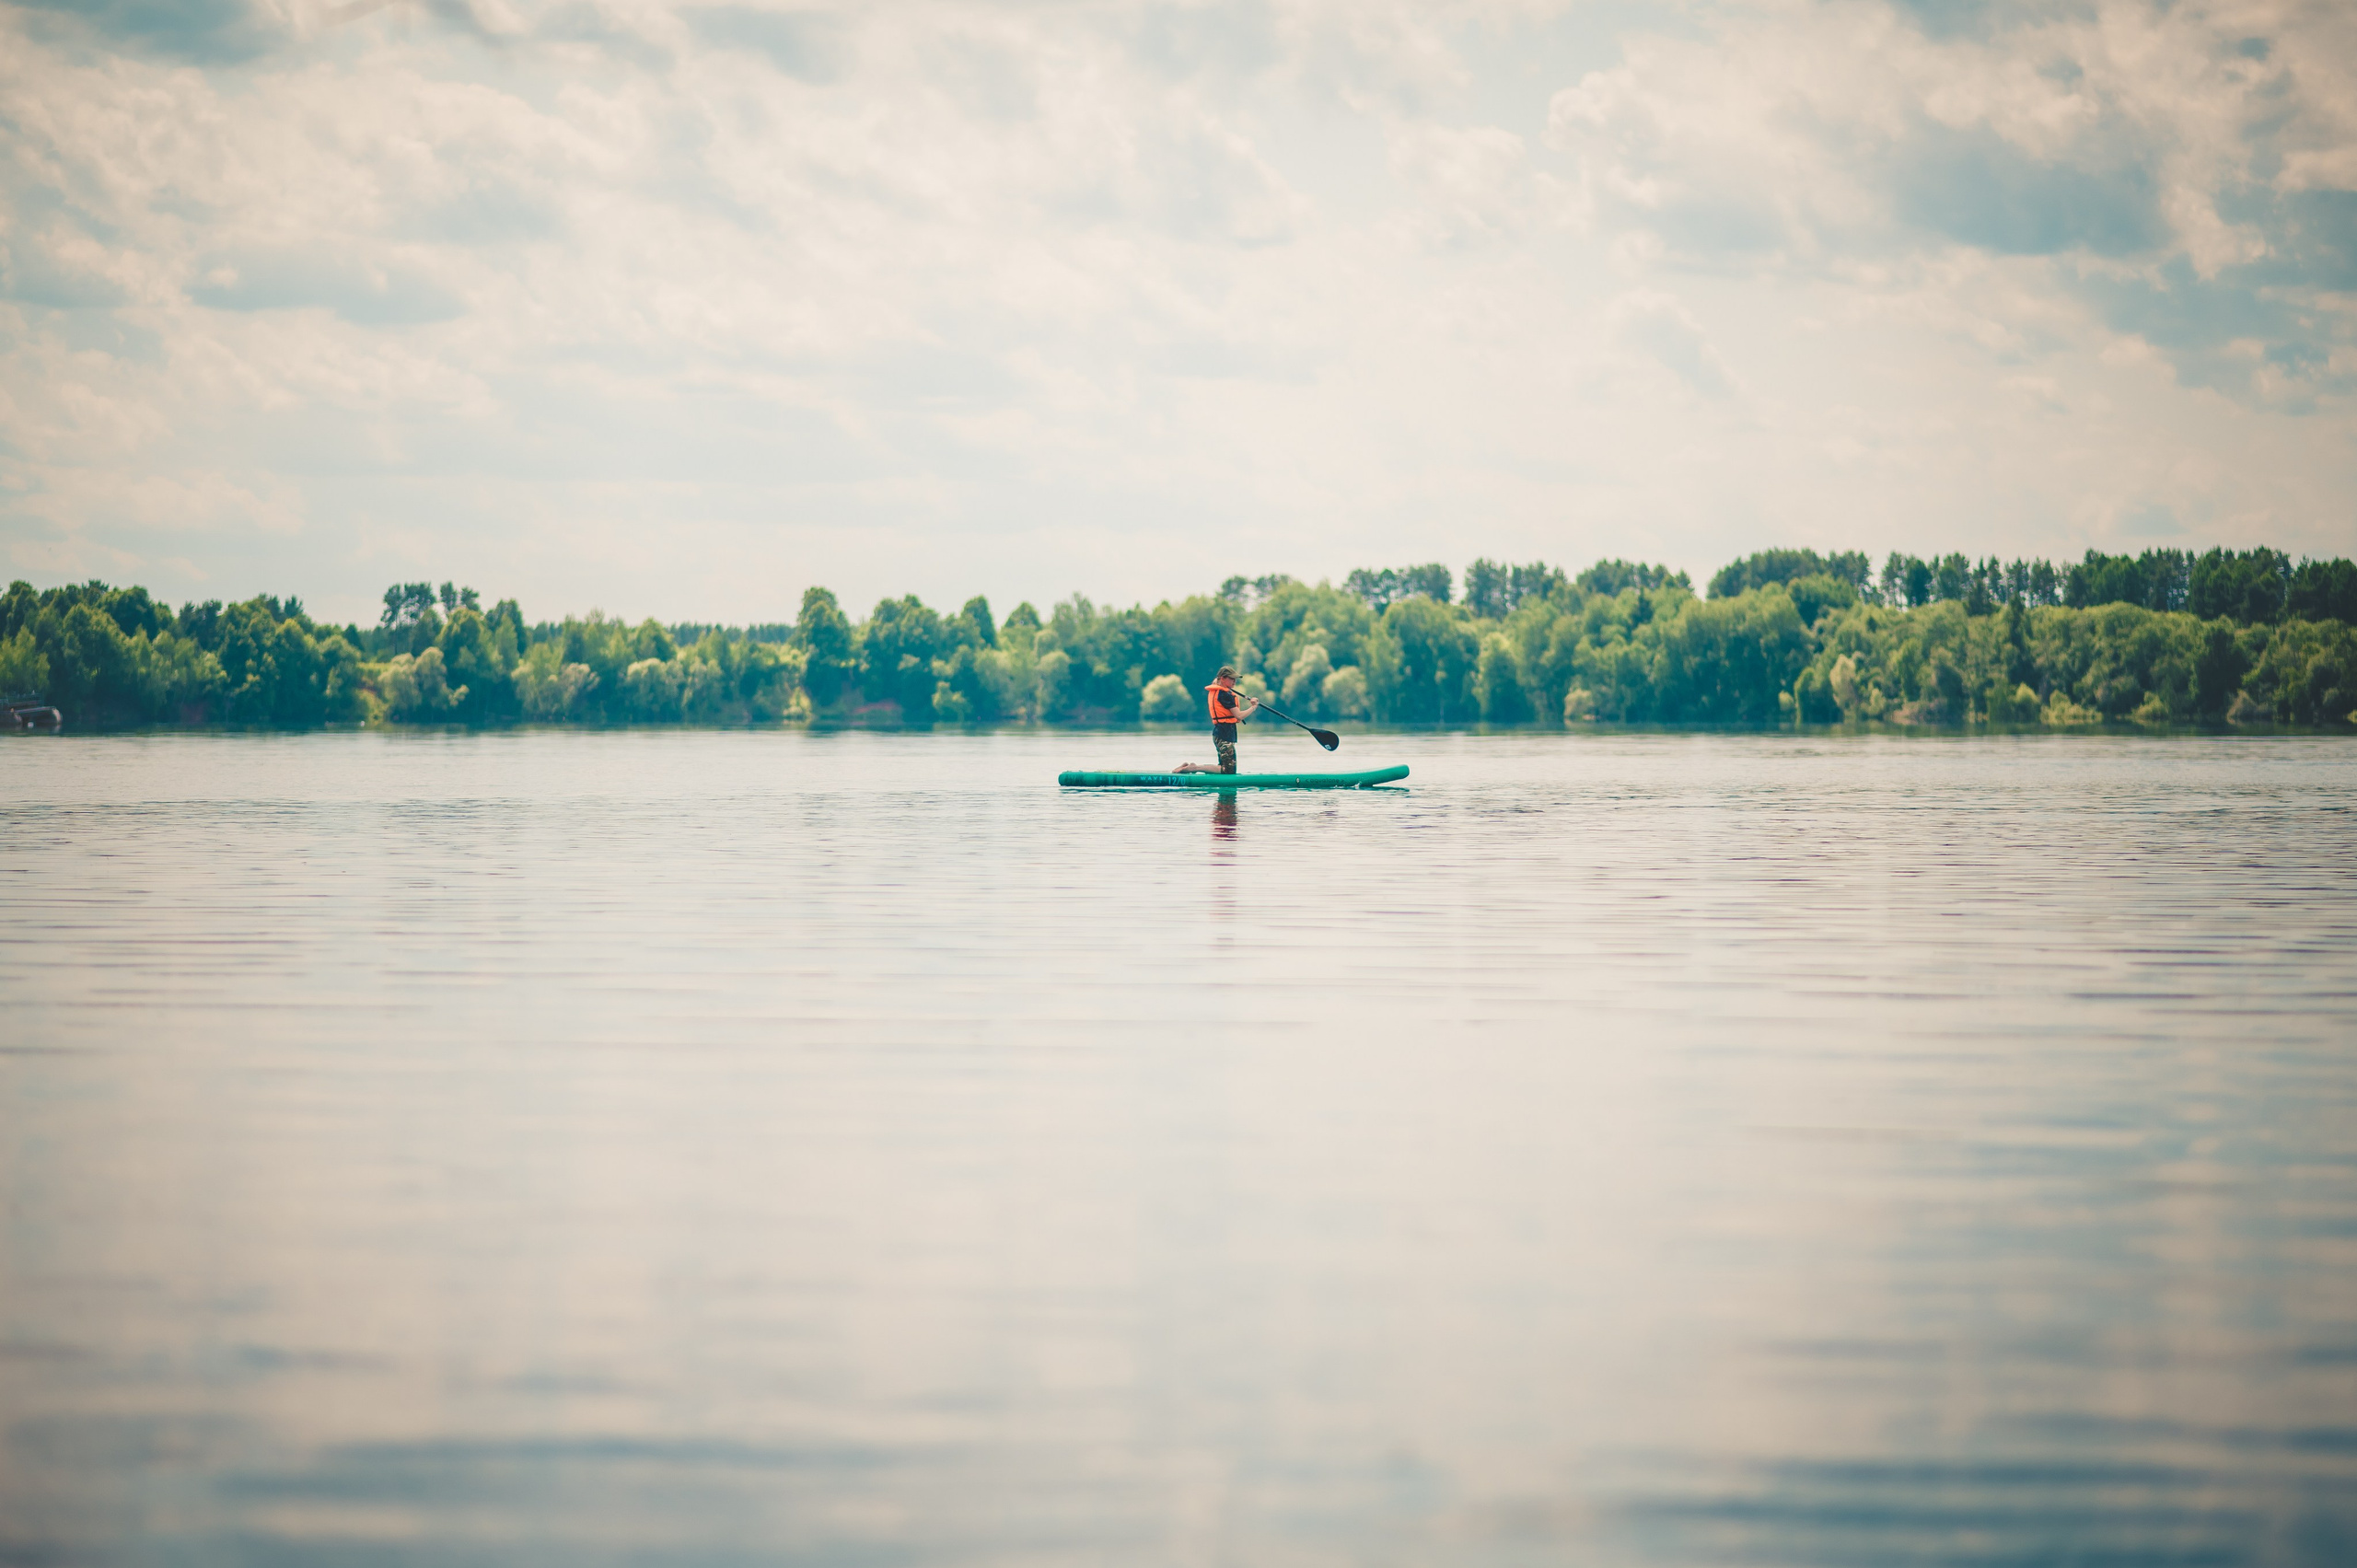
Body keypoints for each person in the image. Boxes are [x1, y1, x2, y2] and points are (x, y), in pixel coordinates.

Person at [1175, 666, 1260, 774]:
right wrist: (1253, 707)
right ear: (1223, 678)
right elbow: (1239, 716)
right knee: (1228, 771)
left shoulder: (1220, 691)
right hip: (1224, 735)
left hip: (1221, 734)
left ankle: (1188, 767)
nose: (1234, 681)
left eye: (1235, 679)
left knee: (1224, 768)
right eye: (1231, 678)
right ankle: (1194, 768)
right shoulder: (1225, 694)